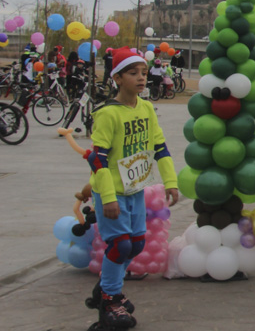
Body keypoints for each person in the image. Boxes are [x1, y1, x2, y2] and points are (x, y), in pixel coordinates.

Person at [83, 47, 179, 328]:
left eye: (144, 73)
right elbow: (97, 158)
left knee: (136, 244)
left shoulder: (147, 108)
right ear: (117, 78)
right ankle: (110, 297)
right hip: (111, 191)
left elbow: (160, 147)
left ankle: (105, 287)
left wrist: (170, 182)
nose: (140, 78)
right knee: (120, 244)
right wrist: (108, 196)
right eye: (132, 73)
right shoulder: (107, 114)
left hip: (135, 188)